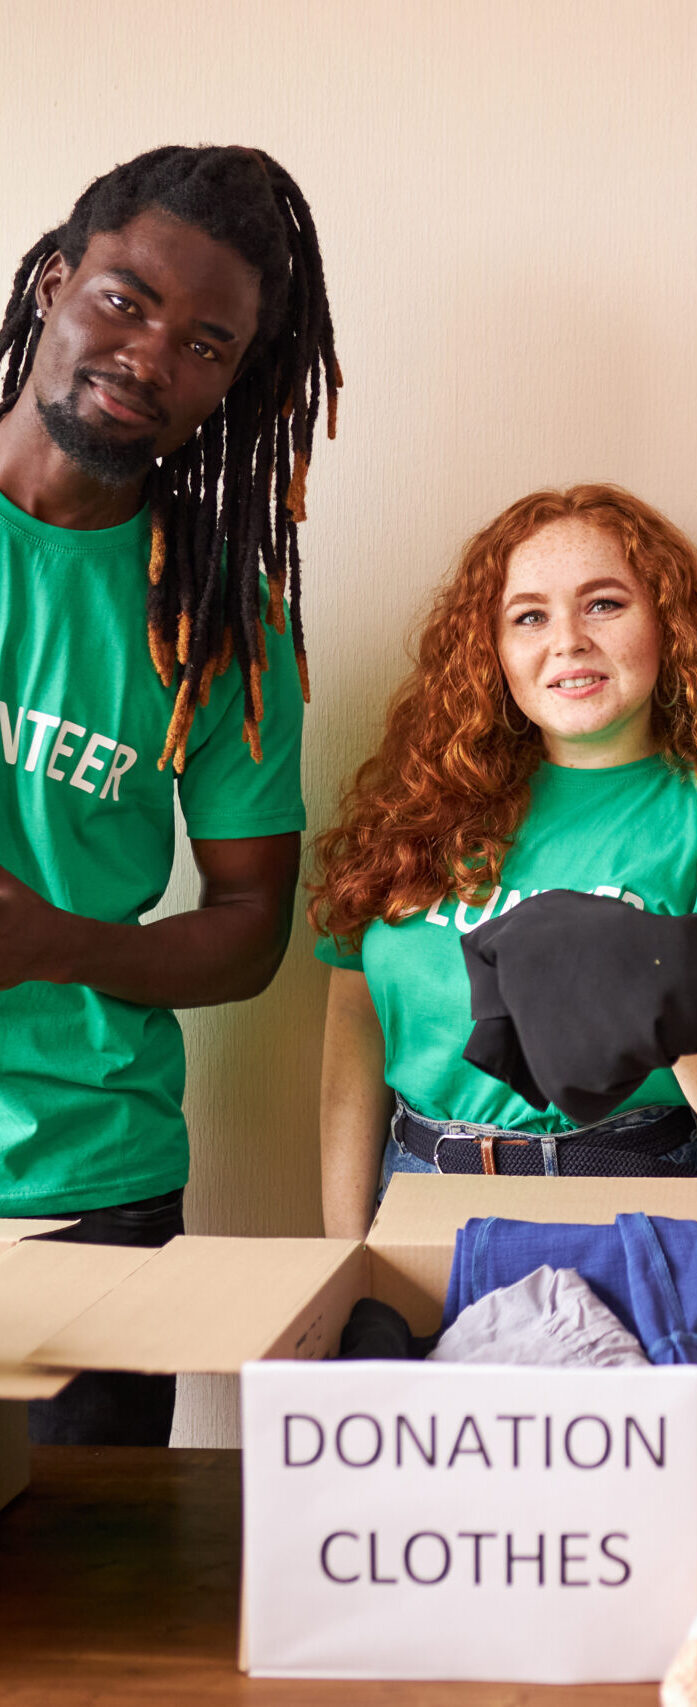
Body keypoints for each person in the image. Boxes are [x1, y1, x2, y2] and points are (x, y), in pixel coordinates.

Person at [0, 146, 340, 1445]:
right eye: (126, 300)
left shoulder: (222, 622)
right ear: (53, 282)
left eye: (207, 343)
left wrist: (52, 944)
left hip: (93, 1187)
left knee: (88, 1618)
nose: (151, 355)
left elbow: (253, 923)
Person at [311, 485, 697, 1241]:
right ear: (493, 649)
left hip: (638, 1206)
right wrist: (346, 1249)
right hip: (420, 1199)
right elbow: (355, 1026)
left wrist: (662, 1003)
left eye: (604, 604)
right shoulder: (417, 811)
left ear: (666, 626)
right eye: (529, 616)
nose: (569, 640)